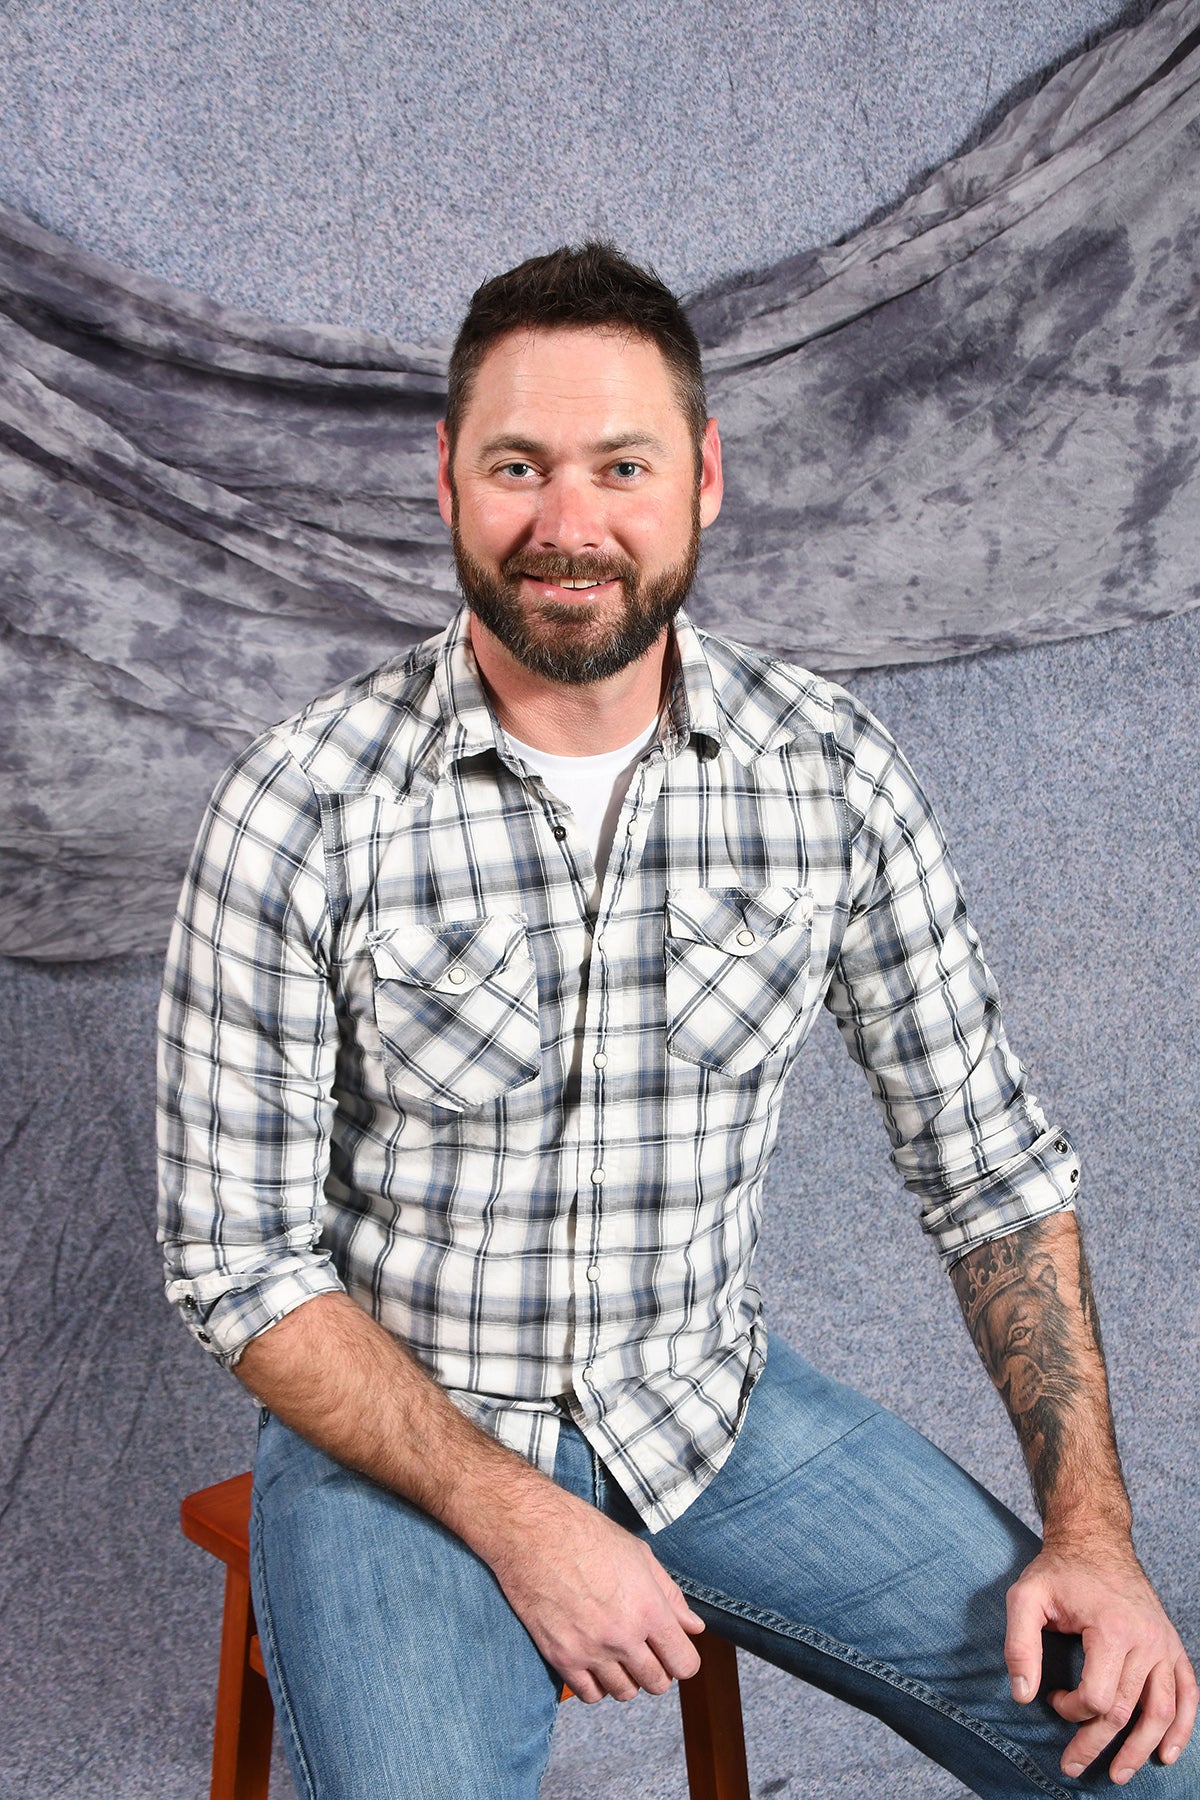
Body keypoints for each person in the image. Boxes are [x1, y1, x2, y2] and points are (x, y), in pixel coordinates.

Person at [157, 242, 1196, 1799]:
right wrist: (523, 1516)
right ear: (445, 476)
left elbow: (993, 1176)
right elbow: (236, 1259)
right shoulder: (301, 805)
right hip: (407, 1445)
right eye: (519, 465)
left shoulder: (828, 772)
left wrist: (1095, 1539)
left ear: (704, 478)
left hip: (709, 1408)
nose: (568, 526)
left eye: (620, 466)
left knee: (1145, 1757)